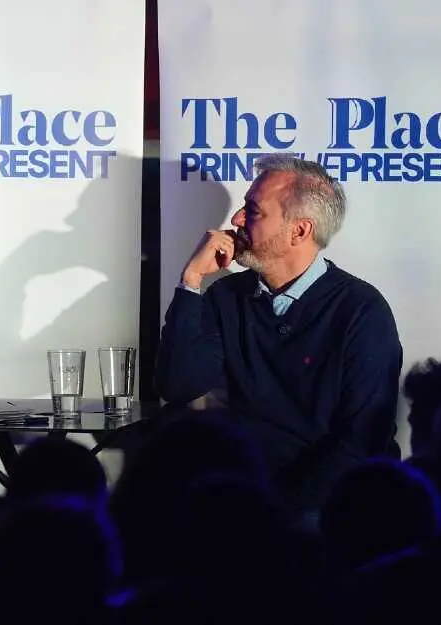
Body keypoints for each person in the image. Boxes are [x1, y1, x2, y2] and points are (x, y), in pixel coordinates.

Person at [156, 154, 402, 512]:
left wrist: (277, 511)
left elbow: (360, 442)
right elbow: (177, 386)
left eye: (253, 211)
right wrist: (191, 281)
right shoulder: (227, 297)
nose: (237, 220)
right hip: (249, 503)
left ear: (299, 231)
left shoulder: (361, 311)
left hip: (332, 509)